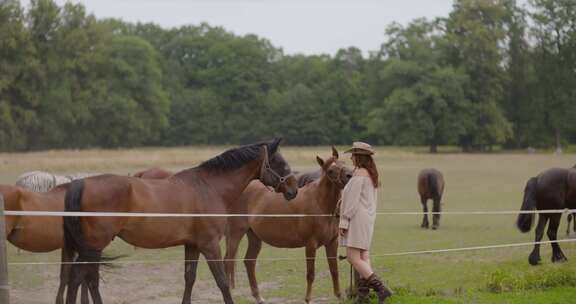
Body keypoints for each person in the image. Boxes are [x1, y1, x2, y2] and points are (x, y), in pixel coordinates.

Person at [339, 142, 392, 303]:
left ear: (359, 157)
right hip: (367, 218)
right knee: (363, 256)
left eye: (353, 155)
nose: (351, 157)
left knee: (352, 257)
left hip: (357, 218)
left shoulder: (360, 174)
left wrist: (344, 221)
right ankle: (363, 296)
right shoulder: (370, 173)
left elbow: (352, 201)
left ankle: (381, 288)